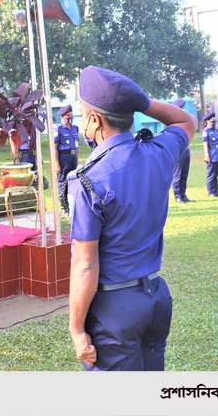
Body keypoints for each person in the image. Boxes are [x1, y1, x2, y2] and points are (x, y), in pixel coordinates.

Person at [65, 66, 196, 371]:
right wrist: (141, 102)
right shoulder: (159, 153)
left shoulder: (88, 180)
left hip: (115, 310)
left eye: (84, 114)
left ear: (95, 120)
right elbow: (185, 121)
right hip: (156, 299)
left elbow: (85, 264)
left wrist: (76, 328)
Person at [54, 104, 79, 202]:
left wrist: (76, 159)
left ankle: (72, 202)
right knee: (63, 181)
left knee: (73, 180)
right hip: (63, 157)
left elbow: (76, 146)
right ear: (62, 116)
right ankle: (63, 205)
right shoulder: (58, 129)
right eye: (67, 116)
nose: (69, 118)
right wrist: (57, 164)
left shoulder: (75, 128)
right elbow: (55, 148)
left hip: (73, 156)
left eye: (71, 116)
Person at [170, 99, 192, 203]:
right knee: (177, 174)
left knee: (184, 173)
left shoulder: (185, 121)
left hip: (186, 148)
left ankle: (183, 194)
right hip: (177, 150)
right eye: (181, 108)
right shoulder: (171, 121)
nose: (183, 110)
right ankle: (178, 196)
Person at [202, 111, 218, 197]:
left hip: (217, 153)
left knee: (216, 174)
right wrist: (207, 155)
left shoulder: (216, 130)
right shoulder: (206, 131)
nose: (213, 122)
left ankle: (216, 191)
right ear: (207, 121)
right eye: (211, 121)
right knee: (211, 174)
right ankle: (211, 192)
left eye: (214, 121)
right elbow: (205, 144)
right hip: (211, 153)